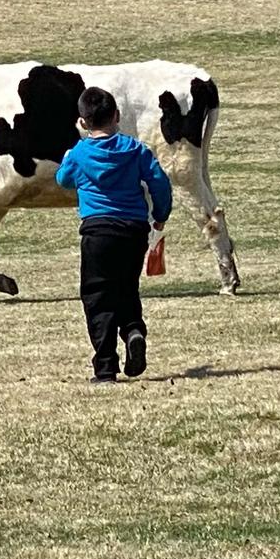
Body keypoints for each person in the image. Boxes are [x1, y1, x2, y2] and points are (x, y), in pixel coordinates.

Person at [55, 87, 172, 384]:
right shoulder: (135, 149)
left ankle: (105, 366)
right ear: (117, 116)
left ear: (82, 122)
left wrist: (71, 154)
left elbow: (63, 180)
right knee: (126, 287)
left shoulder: (79, 154)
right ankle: (133, 330)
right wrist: (160, 216)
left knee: (98, 296)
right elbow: (159, 182)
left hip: (97, 231)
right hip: (133, 230)